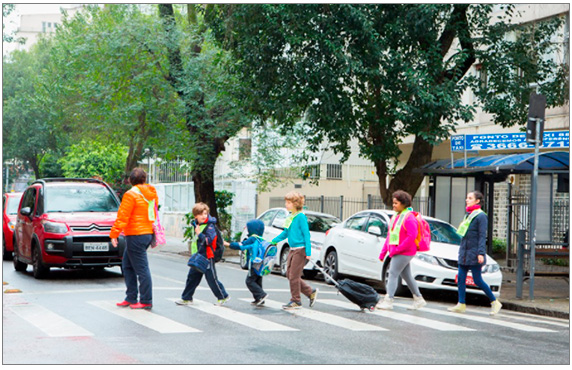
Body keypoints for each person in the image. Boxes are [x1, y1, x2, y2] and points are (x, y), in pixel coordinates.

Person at [110, 168, 158, 310]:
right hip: (147, 233)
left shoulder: (130, 194)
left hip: (135, 235)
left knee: (141, 269)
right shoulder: (151, 194)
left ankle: (146, 300)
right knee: (127, 265)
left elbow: (123, 215)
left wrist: (114, 234)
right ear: (144, 179)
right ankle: (131, 297)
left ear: (130, 180)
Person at [449, 191, 502, 315]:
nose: (467, 200)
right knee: (461, 278)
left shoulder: (481, 216)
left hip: (474, 252)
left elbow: (482, 236)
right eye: (467, 198)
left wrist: (480, 253)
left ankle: (495, 302)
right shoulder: (468, 214)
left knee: (477, 280)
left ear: (477, 201)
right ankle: (461, 303)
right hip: (464, 252)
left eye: (470, 198)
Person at [377, 190, 427, 310]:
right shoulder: (396, 217)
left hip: (404, 252)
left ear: (404, 204)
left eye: (396, 203)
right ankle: (418, 299)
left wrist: (397, 250)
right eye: (393, 203)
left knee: (393, 273)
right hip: (399, 251)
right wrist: (384, 252)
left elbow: (412, 236)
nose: (393, 205)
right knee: (407, 276)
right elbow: (390, 236)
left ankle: (388, 300)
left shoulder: (409, 218)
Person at [175, 202, 230, 306]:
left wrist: (199, 233)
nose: (203, 216)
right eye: (201, 214)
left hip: (208, 256)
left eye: (205, 213)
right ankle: (186, 298)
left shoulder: (210, 227)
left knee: (211, 279)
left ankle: (223, 296)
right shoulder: (198, 225)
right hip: (199, 255)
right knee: (192, 277)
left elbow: (208, 241)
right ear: (196, 216)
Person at [271, 191, 318, 310]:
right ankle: (310, 292)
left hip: (300, 250)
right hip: (292, 249)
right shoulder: (290, 217)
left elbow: (306, 234)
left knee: (294, 276)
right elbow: (285, 232)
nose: (286, 205)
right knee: (289, 274)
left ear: (296, 204)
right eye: (286, 202)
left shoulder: (301, 217)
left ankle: (296, 300)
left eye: (288, 203)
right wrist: (273, 241)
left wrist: (308, 252)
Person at [224, 219, 268, 306]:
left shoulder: (252, 239)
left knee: (249, 281)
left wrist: (229, 244)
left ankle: (261, 295)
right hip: (261, 263)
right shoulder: (261, 239)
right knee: (257, 280)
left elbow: (242, 245)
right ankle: (259, 299)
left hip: (254, 263)